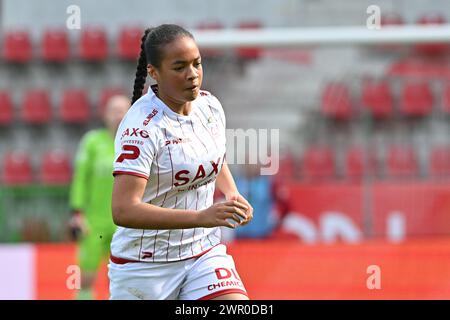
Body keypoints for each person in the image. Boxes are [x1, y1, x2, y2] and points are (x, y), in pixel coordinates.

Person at [109, 24, 254, 300]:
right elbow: (123, 210)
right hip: (145, 268)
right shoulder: (141, 128)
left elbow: (214, 156)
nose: (192, 75)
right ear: (154, 72)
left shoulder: (210, 107)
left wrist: (232, 193)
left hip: (203, 254)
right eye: (179, 67)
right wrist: (201, 217)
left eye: (197, 64)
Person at [69, 95, 131, 300]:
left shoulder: (136, 142)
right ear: (105, 115)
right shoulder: (92, 142)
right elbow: (80, 179)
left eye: (123, 110)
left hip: (127, 221)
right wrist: (77, 213)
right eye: (114, 111)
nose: (118, 115)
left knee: (125, 277)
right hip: (94, 221)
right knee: (86, 275)